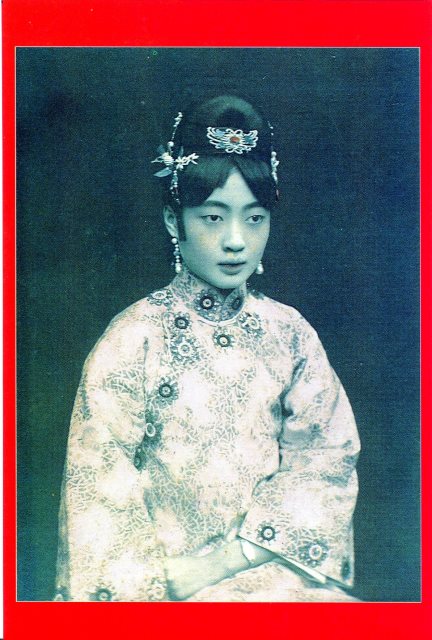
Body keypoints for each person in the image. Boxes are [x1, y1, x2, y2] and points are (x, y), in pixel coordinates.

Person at [55, 95, 360, 602]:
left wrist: (227, 563)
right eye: (214, 218)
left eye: (254, 218)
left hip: (276, 574)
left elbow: (326, 461)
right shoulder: (133, 339)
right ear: (173, 220)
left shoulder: (291, 335)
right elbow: (98, 486)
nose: (236, 240)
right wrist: (161, 584)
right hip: (164, 589)